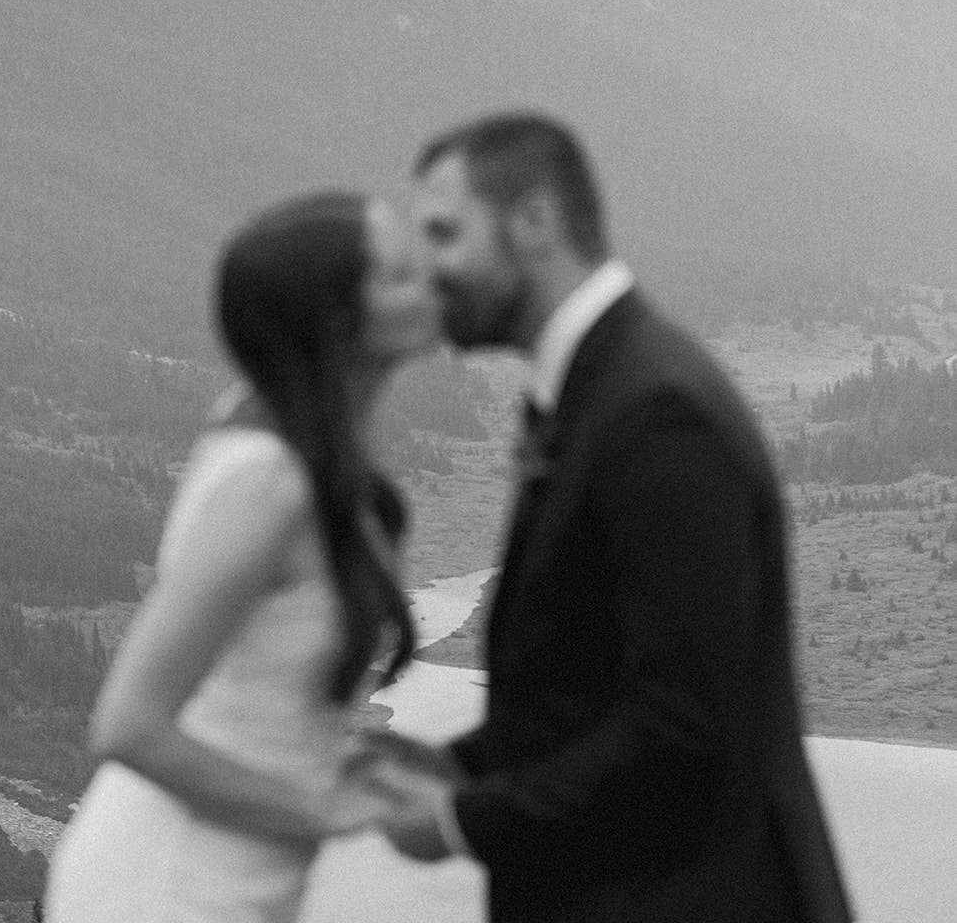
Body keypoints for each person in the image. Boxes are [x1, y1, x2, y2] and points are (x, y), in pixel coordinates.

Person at [360, 114, 853, 923]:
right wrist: (453, 765)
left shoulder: (656, 414)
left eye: (445, 233)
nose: (429, 270)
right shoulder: (601, 390)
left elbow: (684, 728)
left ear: (534, 222)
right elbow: (589, 686)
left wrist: (458, 820)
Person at [44, 191, 437, 923]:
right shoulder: (269, 482)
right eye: (399, 274)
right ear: (336, 321)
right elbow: (128, 724)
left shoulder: (316, 458)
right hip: (166, 891)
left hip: (230, 888)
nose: (433, 280)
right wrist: (320, 808)